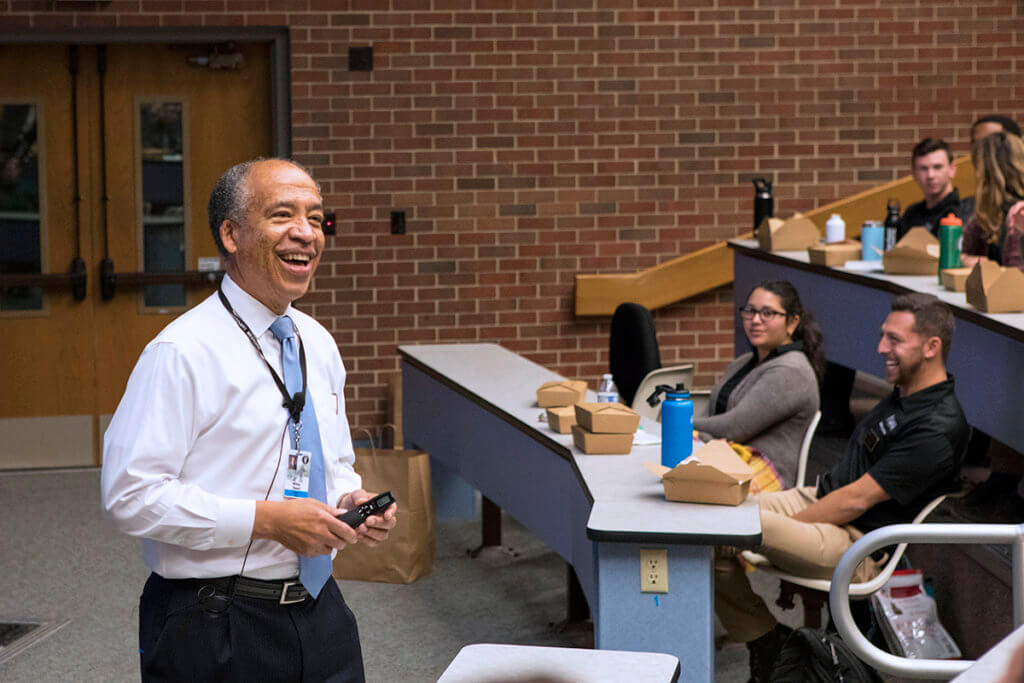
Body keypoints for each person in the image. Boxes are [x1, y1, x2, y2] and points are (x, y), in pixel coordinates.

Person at [101, 158, 396, 682]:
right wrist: (267, 520)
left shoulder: (316, 343)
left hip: (320, 608)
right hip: (214, 620)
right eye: (282, 215)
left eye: (316, 217)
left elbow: (334, 460)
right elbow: (129, 496)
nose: (305, 233)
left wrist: (349, 500)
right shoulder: (181, 352)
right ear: (231, 234)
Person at [715, 293, 970, 682]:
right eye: (884, 336)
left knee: (724, 532)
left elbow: (855, 501)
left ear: (932, 347)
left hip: (856, 543)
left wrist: (786, 533)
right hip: (821, 500)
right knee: (709, 521)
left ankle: (765, 644)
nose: (881, 348)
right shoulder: (905, 395)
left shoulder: (937, 426)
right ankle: (766, 638)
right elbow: (843, 492)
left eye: (895, 340)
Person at [694, 281, 823, 489]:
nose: (755, 320)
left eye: (768, 313)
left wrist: (677, 424)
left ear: (792, 323)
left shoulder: (791, 370)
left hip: (764, 471)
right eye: (750, 311)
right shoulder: (743, 362)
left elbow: (734, 428)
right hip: (729, 457)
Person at [961, 131, 1024, 269]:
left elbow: (1016, 277)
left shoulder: (1019, 212)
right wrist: (967, 260)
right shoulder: (987, 210)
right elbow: (959, 253)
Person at [897, 138, 974, 238]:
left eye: (937, 167)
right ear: (914, 173)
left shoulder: (967, 212)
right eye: (923, 168)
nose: (930, 175)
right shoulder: (911, 214)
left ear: (952, 169)